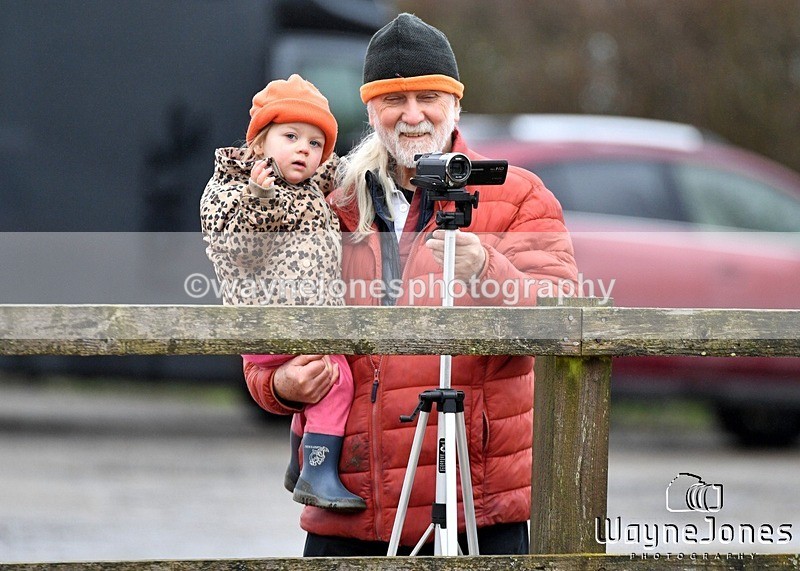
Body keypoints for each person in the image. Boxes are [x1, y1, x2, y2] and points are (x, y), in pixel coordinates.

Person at [244, 13, 578, 556]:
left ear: (456, 104)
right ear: (371, 111)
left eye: (429, 97)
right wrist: (281, 385)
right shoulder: (328, 202)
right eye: (394, 99)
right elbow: (264, 327)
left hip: (477, 505)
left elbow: (564, 320)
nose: (413, 114)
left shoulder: (517, 196)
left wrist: (487, 270)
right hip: (350, 506)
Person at [199, 74, 366, 511]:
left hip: (303, 323)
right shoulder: (232, 189)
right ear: (258, 143)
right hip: (270, 323)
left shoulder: (307, 183)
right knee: (335, 379)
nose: (303, 150)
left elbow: (343, 170)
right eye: (290, 136)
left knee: (317, 380)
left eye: (314, 143)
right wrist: (259, 198)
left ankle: (298, 463)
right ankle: (317, 472)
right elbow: (236, 249)